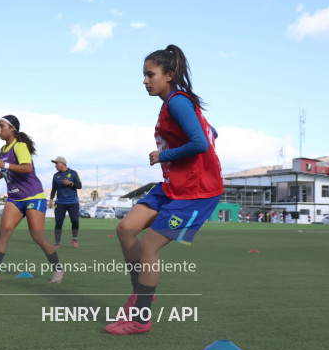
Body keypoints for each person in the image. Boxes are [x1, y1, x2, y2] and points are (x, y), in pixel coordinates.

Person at [107, 44, 222, 335]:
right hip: (173, 186)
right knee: (125, 229)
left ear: (169, 75)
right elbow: (211, 133)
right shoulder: (172, 103)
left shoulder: (177, 102)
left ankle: (141, 318)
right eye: (144, 75)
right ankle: (141, 293)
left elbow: (201, 143)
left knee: (149, 245)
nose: (145, 80)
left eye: (150, 74)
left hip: (196, 192)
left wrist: (164, 155)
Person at [0, 115, 65, 284]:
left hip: (33, 196)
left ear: (12, 128)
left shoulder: (20, 145)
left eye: (2, 126)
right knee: (4, 231)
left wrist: (5, 165)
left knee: (37, 235)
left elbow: (27, 168)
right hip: (15, 198)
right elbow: (6, 170)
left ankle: (58, 270)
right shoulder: (3, 149)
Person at [47, 156, 82, 249]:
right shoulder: (55, 176)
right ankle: (57, 243)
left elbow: (79, 185)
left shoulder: (73, 173)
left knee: (75, 221)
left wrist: (70, 183)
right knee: (58, 223)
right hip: (60, 203)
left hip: (73, 202)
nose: (55, 165)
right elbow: (54, 188)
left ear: (62, 163)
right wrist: (51, 199)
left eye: (56, 163)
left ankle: (74, 238)